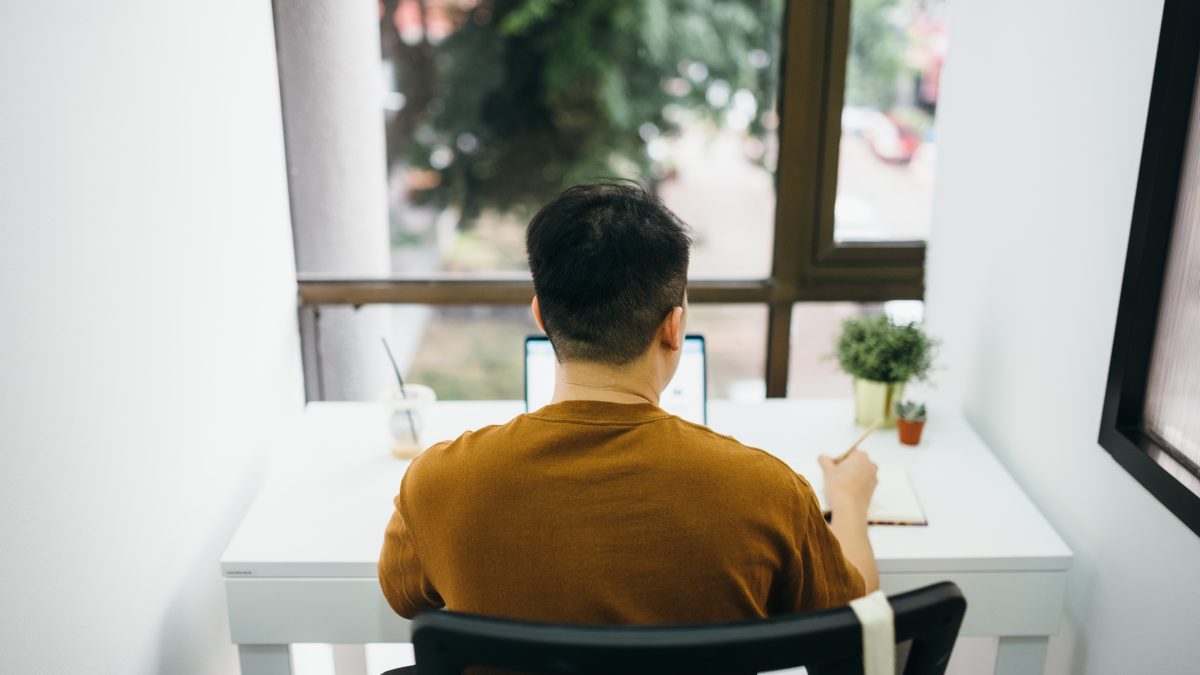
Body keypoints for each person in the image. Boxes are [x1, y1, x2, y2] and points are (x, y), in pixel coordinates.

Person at [378, 182, 879, 625]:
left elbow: (403, 597)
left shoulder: (438, 484)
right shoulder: (768, 493)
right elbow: (854, 626)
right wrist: (850, 500)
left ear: (540, 315)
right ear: (673, 327)